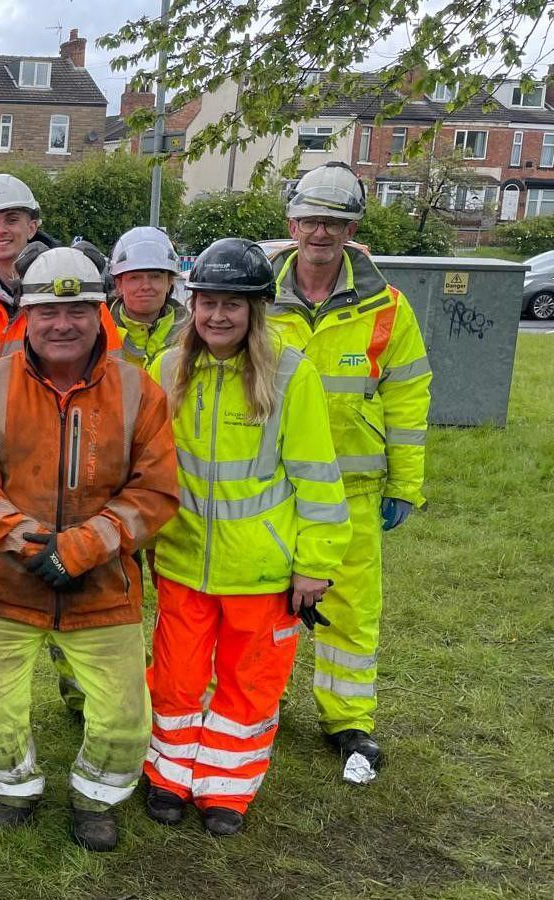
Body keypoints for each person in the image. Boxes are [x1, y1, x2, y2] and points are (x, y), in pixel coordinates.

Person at [0, 247, 177, 852]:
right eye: (49, 312)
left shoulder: (138, 391)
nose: (63, 324)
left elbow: (155, 490)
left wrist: (80, 548)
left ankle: (95, 798)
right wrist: (23, 537)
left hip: (102, 584)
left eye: (77, 310)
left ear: (101, 313)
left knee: (126, 721)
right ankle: (14, 788)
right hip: (10, 580)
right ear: (27, 318)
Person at [143, 238, 351, 836]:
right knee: (175, 680)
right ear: (192, 304)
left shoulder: (291, 374)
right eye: (207, 301)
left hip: (263, 572)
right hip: (183, 563)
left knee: (247, 688)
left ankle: (226, 791)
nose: (217, 315)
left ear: (257, 309)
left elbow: (317, 477)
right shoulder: (168, 368)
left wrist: (314, 564)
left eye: (233, 304)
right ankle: (168, 779)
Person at [269, 162, 431, 781]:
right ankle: (260, 704)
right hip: (274, 486)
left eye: (333, 222)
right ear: (292, 223)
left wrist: (406, 484)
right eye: (311, 219)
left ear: (352, 227)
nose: (320, 232)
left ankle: (348, 721)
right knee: (266, 604)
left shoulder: (387, 308)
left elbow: (409, 399)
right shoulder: (262, 296)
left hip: (354, 488)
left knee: (352, 610)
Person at [0, 174, 121, 736]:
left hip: (69, 471)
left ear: (33, 223)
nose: (2, 231)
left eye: (12, 219)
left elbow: (107, 382)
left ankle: (81, 695)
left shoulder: (75, 291)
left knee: (74, 585)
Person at [108, 225, 189, 370]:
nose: (146, 286)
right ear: (119, 284)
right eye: (135, 278)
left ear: (170, 281)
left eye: (155, 276)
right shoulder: (97, 333)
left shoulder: (193, 336)